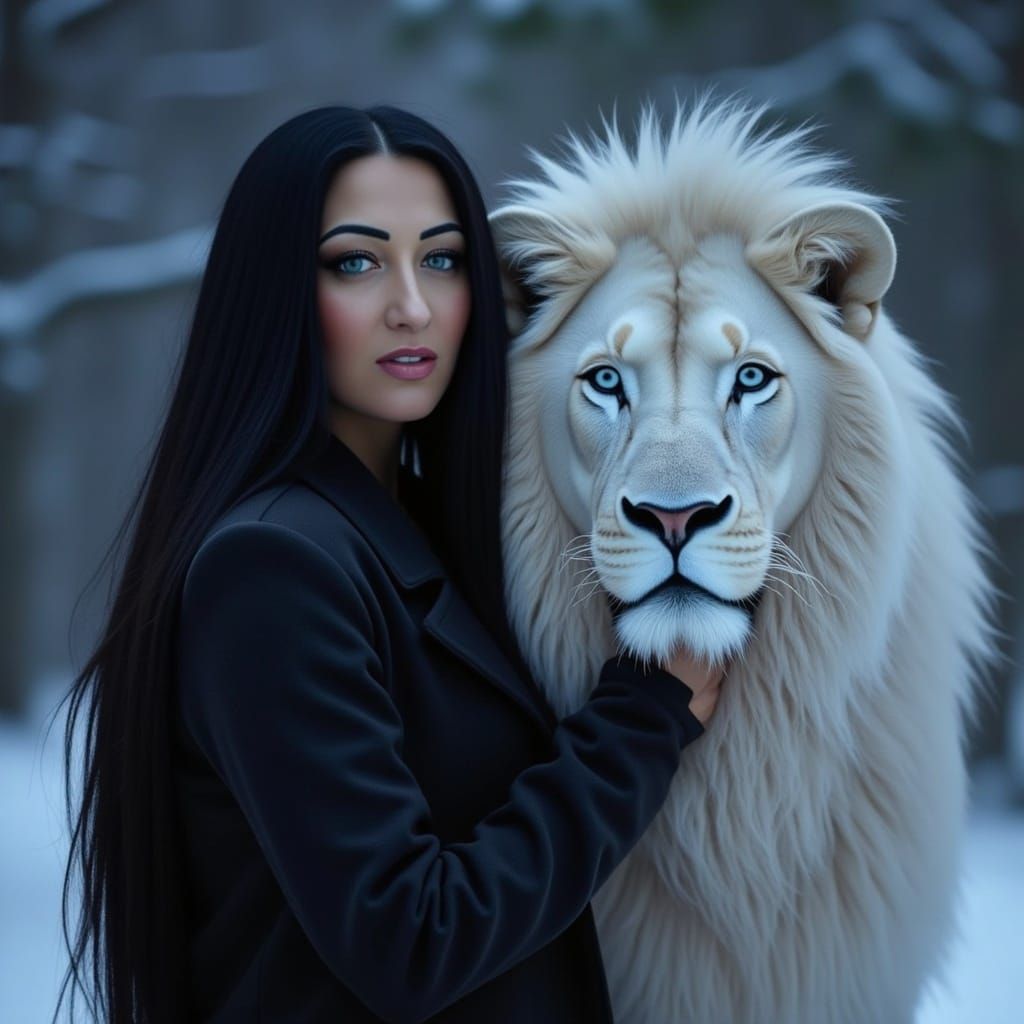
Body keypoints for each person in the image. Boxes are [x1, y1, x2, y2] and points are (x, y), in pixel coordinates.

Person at [57, 105, 726, 1024]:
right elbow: (409, 939)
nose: (412, 305)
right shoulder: (270, 568)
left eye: (442, 260)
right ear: (275, 292)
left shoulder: (419, 530)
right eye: (356, 263)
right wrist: (641, 724)